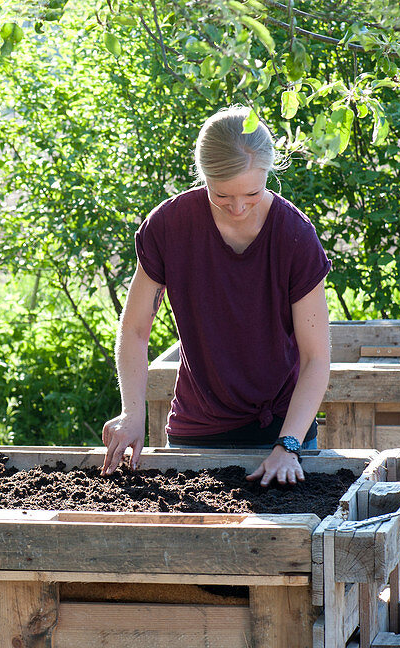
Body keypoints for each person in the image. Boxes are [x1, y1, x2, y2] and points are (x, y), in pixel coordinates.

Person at [101, 105, 331, 485]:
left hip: (285, 433)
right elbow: (136, 328)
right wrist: (131, 414)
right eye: (222, 194)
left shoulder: (295, 236)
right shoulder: (169, 226)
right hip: (197, 431)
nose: (238, 207)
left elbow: (315, 358)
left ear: (270, 173)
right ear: (203, 175)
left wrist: (288, 445)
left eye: (252, 193)